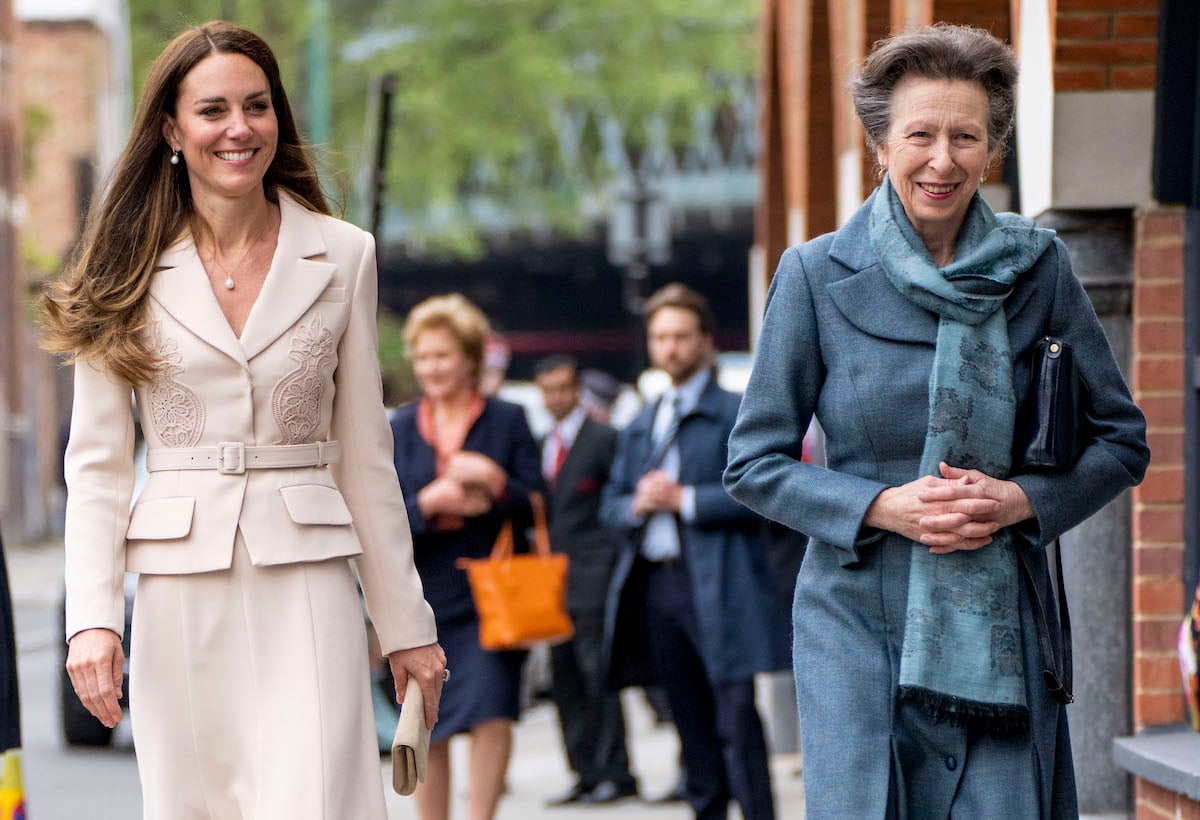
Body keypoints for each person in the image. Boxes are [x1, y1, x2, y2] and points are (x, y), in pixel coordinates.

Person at [723, 24, 1150, 818]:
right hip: (855, 620)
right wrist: (883, 507)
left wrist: (1020, 502)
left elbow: (1121, 441)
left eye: (967, 137)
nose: (943, 160)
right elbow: (753, 463)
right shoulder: (815, 276)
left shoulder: (1041, 266)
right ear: (882, 144)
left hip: (998, 624)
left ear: (993, 150)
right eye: (920, 134)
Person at [38, 21, 446, 819]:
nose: (239, 128)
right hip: (178, 595)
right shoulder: (118, 268)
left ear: (278, 120)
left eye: (257, 107)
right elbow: (97, 468)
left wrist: (406, 626)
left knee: (320, 800)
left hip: (310, 584)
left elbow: (366, 459)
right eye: (213, 110)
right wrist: (91, 620)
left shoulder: (343, 254)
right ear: (171, 130)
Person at [601, 283, 789, 820]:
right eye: (661, 337)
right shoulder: (643, 419)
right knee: (686, 719)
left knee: (735, 717)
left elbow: (765, 492)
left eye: (681, 336)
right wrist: (637, 504)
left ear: (705, 341)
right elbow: (611, 507)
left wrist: (683, 500)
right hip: (658, 585)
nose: (670, 348)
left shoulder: (737, 410)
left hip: (720, 581)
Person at [389, 293, 545, 820]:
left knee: (491, 710)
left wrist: (498, 483)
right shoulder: (400, 427)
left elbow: (539, 503)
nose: (432, 366)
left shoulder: (508, 419)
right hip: (424, 590)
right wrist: (429, 504)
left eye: (444, 355)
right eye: (424, 356)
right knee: (425, 716)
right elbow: (381, 516)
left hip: (495, 588)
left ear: (470, 358)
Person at [534, 355, 638, 807]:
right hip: (549, 579)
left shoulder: (604, 438)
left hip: (594, 572)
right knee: (565, 678)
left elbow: (619, 500)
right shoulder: (542, 443)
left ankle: (616, 771)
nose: (556, 397)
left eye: (562, 387)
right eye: (548, 389)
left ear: (576, 388)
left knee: (598, 673)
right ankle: (584, 771)